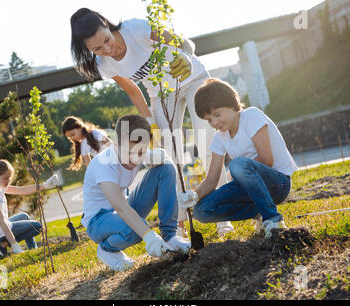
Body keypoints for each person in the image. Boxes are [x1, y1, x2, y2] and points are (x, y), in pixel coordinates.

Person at [69, 8, 233, 237]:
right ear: (88, 50)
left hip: (192, 78)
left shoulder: (135, 29)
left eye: (106, 40)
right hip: (162, 96)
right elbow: (133, 90)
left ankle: (223, 216)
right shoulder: (105, 64)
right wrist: (149, 121)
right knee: (168, 157)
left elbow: (184, 43)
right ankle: (179, 224)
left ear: (107, 25)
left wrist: (185, 56)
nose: (107, 49)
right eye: (97, 48)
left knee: (208, 146)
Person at [177, 78, 298, 239]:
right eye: (209, 119)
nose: (214, 122)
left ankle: (273, 220)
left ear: (231, 104)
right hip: (249, 189)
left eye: (217, 114)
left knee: (237, 165)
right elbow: (212, 180)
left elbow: (267, 159)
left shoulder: (251, 116)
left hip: (277, 183)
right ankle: (259, 212)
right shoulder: (220, 138)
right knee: (202, 211)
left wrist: (238, 173)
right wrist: (194, 196)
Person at [81, 114, 190, 271]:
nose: (135, 159)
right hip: (98, 222)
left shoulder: (137, 150)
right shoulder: (103, 164)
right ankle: (106, 249)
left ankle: (170, 237)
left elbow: (162, 165)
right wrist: (150, 238)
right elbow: (121, 208)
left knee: (166, 168)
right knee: (136, 230)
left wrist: (162, 157)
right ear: (116, 144)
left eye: (140, 153)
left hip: (123, 210)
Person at [0, 159, 59, 256]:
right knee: (38, 227)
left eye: (9, 178)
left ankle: (32, 248)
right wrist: (15, 246)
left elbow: (22, 190)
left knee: (24, 216)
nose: (8, 181)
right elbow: (1, 222)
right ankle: (3, 244)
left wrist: (45, 185)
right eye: (6, 178)